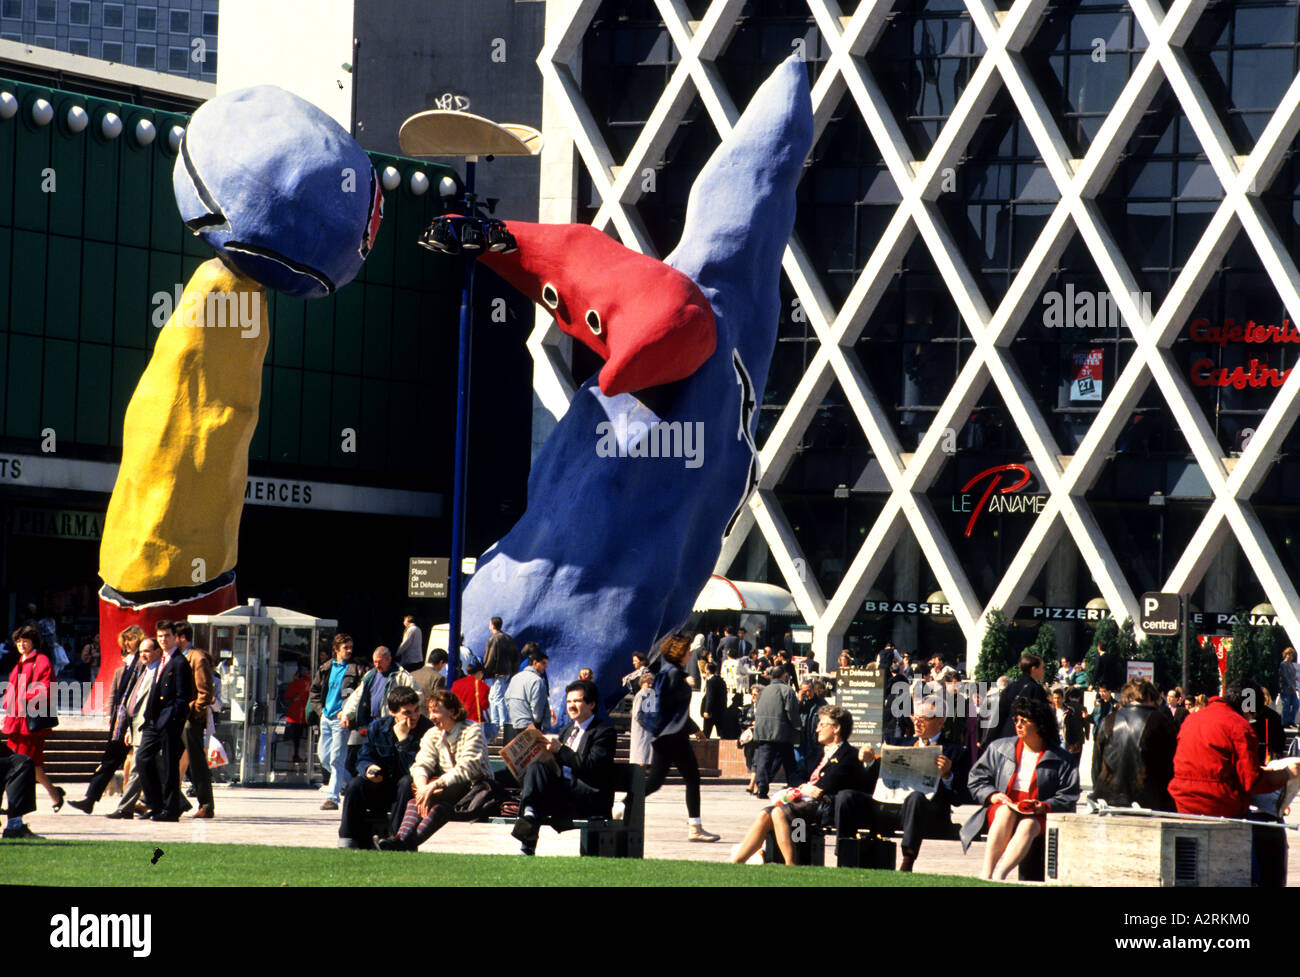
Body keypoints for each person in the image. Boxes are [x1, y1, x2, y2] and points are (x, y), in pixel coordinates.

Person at [1170, 680, 1300, 887]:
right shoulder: (1239, 727)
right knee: (1263, 851)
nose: (1251, 718)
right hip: (1220, 809)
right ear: (1247, 706)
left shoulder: (1193, 719)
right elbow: (1252, 782)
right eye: (1252, 713)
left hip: (1183, 807)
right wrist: (1286, 774)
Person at [836, 695, 970, 872]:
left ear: (940, 721)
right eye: (915, 717)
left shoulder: (955, 751)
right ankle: (844, 856)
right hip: (888, 804)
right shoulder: (897, 743)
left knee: (915, 798)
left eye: (923, 718)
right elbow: (870, 781)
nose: (917, 722)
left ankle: (907, 862)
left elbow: (959, 798)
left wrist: (947, 775)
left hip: (925, 812)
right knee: (846, 797)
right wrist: (868, 762)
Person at [962, 696, 1080, 881]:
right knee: (1004, 813)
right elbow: (976, 778)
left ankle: (1001, 874)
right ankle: (986, 873)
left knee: (1029, 825)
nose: (1018, 725)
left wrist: (1044, 806)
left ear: (1039, 724)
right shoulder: (999, 748)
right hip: (1004, 804)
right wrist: (992, 795)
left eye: (1024, 721)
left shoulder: (1063, 759)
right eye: (1016, 720)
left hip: (1039, 813)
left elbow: (1069, 794)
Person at [730, 704, 863, 865]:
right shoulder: (817, 752)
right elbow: (795, 775)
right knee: (765, 814)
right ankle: (737, 862)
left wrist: (809, 788)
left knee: (779, 812)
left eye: (822, 725)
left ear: (836, 728)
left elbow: (827, 784)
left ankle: (790, 864)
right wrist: (803, 787)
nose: (817, 729)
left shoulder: (849, 754)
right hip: (805, 799)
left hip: (825, 804)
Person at [509, 678, 617, 855]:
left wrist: (560, 750)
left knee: (537, 795)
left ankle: (528, 830)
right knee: (536, 767)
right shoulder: (567, 729)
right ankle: (529, 814)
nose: (571, 705)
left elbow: (591, 766)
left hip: (587, 796)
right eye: (568, 701)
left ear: (591, 704)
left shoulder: (604, 732)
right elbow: (561, 761)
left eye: (576, 701)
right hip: (564, 793)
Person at [381, 688, 492, 851]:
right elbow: (421, 764)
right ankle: (401, 839)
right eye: (430, 711)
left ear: (452, 711)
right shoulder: (432, 734)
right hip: (449, 791)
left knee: (441, 808)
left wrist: (433, 786)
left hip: (474, 793)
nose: (431, 716)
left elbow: (467, 768)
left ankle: (403, 843)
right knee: (415, 801)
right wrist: (422, 789)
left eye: (436, 712)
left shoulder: (472, 730)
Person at [640, 633, 720, 842]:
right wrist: (686, 684)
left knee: (656, 782)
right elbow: (676, 708)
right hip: (675, 737)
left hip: (664, 736)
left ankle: (624, 805)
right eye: (687, 650)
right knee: (692, 778)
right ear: (680, 653)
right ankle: (695, 827)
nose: (689, 653)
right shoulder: (675, 675)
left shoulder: (667, 673)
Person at [338, 686, 432, 849]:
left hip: (406, 790)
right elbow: (364, 756)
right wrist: (368, 768)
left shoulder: (427, 729)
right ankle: (348, 837)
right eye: (407, 713)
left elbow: (415, 768)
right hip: (381, 783)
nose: (414, 716)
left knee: (406, 782)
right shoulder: (378, 727)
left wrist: (404, 741)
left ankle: (395, 838)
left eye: (416, 710)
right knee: (355, 785)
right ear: (393, 712)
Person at [69, 625, 146, 814]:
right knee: (109, 761)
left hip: (134, 721)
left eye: (130, 640)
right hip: (120, 722)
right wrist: (110, 717)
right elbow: (114, 696)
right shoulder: (124, 669)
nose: (127, 644)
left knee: (143, 763)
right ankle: (90, 798)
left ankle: (166, 800)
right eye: (125, 640)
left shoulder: (141, 666)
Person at [135, 620, 196, 821]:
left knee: (170, 767)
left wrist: (173, 718)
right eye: (160, 636)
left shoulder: (179, 662)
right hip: (153, 721)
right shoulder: (162, 660)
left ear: (175, 638)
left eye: (167, 636)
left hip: (169, 721)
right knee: (143, 759)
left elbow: (184, 695)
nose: (163, 639)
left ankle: (171, 809)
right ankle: (155, 803)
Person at [1, 624, 62, 812]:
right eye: (18, 641)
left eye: (24, 640)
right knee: (27, 765)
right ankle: (54, 794)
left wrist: (21, 698)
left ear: (33, 641)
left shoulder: (41, 661)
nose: (21, 644)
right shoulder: (22, 660)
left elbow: (45, 688)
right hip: (16, 722)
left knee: (24, 764)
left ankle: (16, 806)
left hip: (29, 723)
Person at [1090, 677, 1176, 811]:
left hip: (1109, 802)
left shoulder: (1108, 721)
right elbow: (1170, 768)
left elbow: (1096, 767)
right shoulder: (1160, 721)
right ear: (1151, 697)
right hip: (1148, 804)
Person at [105, 638, 162, 819]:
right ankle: (174, 802)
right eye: (141, 651)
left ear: (157, 652)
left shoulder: (158, 672)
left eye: (147, 651)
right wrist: (129, 728)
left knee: (139, 767)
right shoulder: (144, 670)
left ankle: (125, 807)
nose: (143, 655)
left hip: (148, 727)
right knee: (153, 768)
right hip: (136, 726)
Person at [341, 645, 418, 775]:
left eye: (380, 662)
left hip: (391, 725)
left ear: (389, 659)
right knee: (365, 756)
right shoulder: (370, 676)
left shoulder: (402, 676)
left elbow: (416, 696)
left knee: (387, 757)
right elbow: (357, 696)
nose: (376, 665)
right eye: (375, 662)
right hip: (371, 724)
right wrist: (346, 715)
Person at [308, 633, 364, 812]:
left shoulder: (356, 669)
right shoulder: (326, 668)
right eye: (345, 647)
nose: (349, 651)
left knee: (336, 760)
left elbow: (360, 695)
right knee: (324, 757)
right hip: (326, 717)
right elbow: (314, 691)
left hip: (341, 719)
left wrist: (348, 715)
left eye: (350, 647)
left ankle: (332, 798)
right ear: (336, 649)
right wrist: (320, 711)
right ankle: (353, 784)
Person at [180, 633, 216, 819]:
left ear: (181, 637)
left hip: (189, 718)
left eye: (168, 636)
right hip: (174, 716)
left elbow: (205, 691)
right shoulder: (177, 657)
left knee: (196, 761)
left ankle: (206, 804)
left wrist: (195, 711)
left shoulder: (197, 658)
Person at [752, 666, 801, 798]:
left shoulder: (763, 691)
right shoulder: (787, 690)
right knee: (789, 762)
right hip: (782, 732)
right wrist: (798, 726)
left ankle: (762, 787)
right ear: (784, 675)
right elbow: (791, 712)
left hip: (763, 731)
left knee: (764, 761)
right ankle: (794, 787)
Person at [986, 653, 1049, 743]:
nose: (1044, 671)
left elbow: (999, 717)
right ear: (1033, 669)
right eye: (1042, 668)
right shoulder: (1036, 690)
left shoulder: (1009, 688)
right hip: (1026, 740)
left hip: (1006, 739)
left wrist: (989, 740)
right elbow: (1043, 719)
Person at [482, 616, 519, 738]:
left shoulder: (493, 639)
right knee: (495, 697)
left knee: (497, 698)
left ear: (492, 625)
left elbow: (490, 657)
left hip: (496, 673)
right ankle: (497, 723)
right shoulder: (508, 638)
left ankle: (500, 725)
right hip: (506, 673)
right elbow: (515, 657)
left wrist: (485, 672)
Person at [504, 644, 550, 740]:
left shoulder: (515, 677)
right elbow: (537, 710)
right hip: (530, 726)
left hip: (515, 723)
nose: (546, 666)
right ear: (535, 662)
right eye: (543, 663)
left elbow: (507, 698)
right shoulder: (537, 681)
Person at [451, 655, 491, 730]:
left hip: (459, 721)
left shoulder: (456, 683)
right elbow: (484, 705)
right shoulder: (482, 686)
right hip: (475, 722)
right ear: (479, 672)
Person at [282, 666, 311, 764]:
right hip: (304, 713)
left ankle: (296, 755)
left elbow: (288, 695)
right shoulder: (309, 682)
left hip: (298, 714)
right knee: (305, 737)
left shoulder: (299, 682)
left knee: (296, 738)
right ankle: (303, 756)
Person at [1051, 686, 1085, 768]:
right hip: (1053, 738)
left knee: (1063, 760)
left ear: (1063, 698)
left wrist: (1074, 742)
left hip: (1064, 737)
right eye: (1054, 698)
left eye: (1058, 698)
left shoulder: (1069, 710)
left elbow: (1074, 727)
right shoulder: (1050, 710)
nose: (1056, 700)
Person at [629, 670, 655, 766]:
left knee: (647, 755)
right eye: (648, 683)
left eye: (651, 683)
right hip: (642, 730)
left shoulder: (650, 694)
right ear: (642, 683)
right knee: (641, 755)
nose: (650, 685)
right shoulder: (641, 695)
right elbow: (638, 715)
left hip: (649, 731)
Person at [700, 660, 727, 741]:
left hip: (711, 712)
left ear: (708, 670)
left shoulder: (710, 682)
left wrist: (707, 710)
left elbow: (710, 697)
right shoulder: (721, 680)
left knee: (706, 733)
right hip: (720, 711)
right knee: (722, 734)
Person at [1279, 648, 1298, 728]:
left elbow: (1291, 676)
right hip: (1285, 688)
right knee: (1286, 705)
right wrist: (1292, 685)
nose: (1290, 656)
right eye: (1288, 654)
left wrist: (1294, 679)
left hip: (1292, 688)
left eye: (1291, 654)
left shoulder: (1291, 665)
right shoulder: (1283, 664)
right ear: (1285, 655)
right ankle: (1284, 722)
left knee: (1296, 704)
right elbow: (1285, 677)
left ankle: (1291, 720)